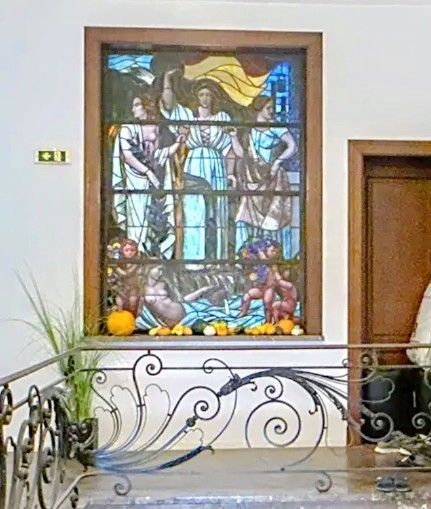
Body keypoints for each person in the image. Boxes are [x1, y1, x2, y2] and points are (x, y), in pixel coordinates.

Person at [160, 70, 243, 260]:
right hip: (194, 166)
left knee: (217, 212)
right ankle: (193, 258)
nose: (205, 98)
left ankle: (217, 259)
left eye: (208, 95)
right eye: (201, 94)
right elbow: (168, 104)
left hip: (216, 166)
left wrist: (230, 173)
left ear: (213, 98)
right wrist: (167, 80)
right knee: (194, 210)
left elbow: (229, 150)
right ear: (196, 97)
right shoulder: (187, 117)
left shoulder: (222, 118)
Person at [112, 94, 186, 257]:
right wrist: (148, 172)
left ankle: (155, 254)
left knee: (155, 218)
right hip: (135, 182)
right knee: (137, 220)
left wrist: (178, 143)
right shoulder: (127, 128)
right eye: (133, 106)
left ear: (146, 106)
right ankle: (138, 255)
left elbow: (159, 155)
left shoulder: (156, 127)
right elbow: (128, 156)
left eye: (137, 105)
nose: (133, 109)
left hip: (154, 182)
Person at [235, 95, 297, 257]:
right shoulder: (249, 131)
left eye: (272, 108)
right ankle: (248, 255)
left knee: (272, 219)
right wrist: (233, 137)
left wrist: (277, 162)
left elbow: (292, 146)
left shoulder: (276, 128)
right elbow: (242, 154)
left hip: (273, 178)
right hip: (252, 178)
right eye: (269, 108)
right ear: (259, 108)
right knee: (245, 217)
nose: (272, 111)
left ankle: (275, 255)